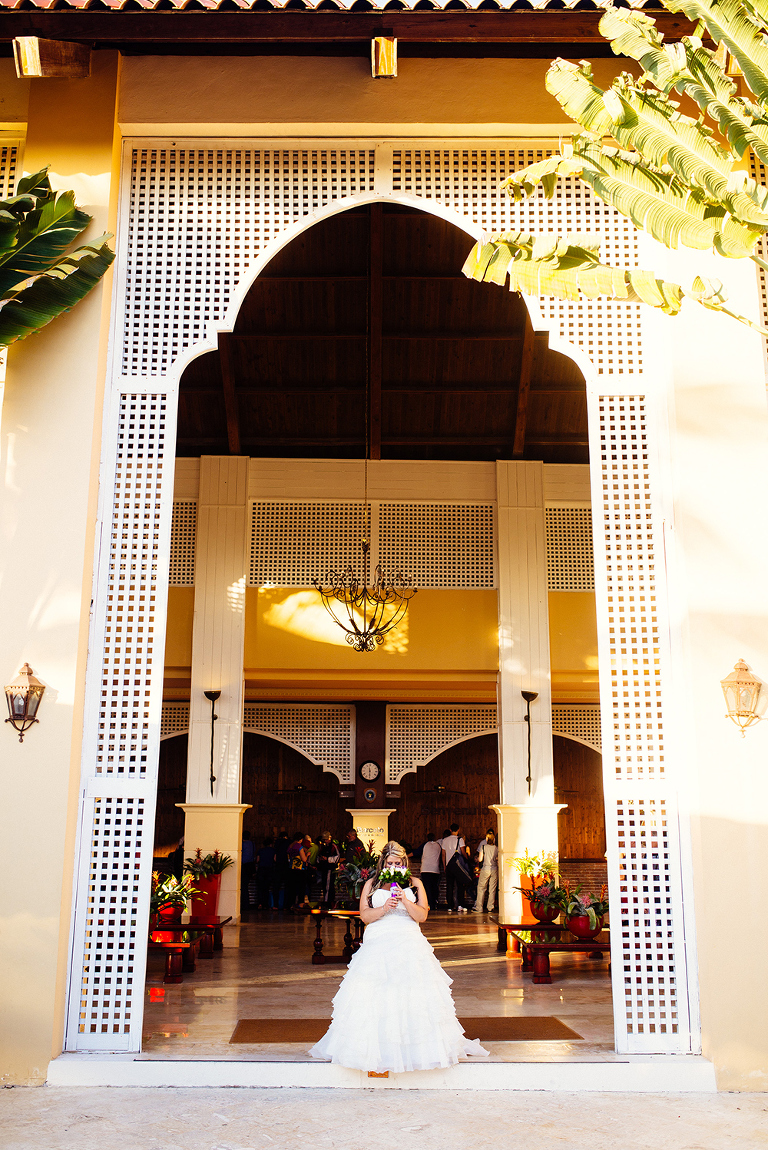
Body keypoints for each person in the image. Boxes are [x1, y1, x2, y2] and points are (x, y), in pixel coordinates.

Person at [309, 841, 489, 1072]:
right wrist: (385, 908)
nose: (394, 866)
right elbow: (364, 916)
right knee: (376, 992)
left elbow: (422, 916)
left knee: (411, 992)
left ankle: (413, 1048)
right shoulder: (372, 884)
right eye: (390, 862)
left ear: (404, 863)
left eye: (399, 862)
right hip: (379, 941)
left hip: (407, 939)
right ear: (383, 862)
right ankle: (373, 1047)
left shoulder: (415, 884)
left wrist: (404, 901)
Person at [441, 823, 469, 914]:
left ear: (450, 830)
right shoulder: (460, 839)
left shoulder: (445, 840)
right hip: (457, 866)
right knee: (460, 885)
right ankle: (460, 905)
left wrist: (444, 866)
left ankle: (450, 906)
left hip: (449, 865)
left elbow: (443, 854)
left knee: (449, 886)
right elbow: (463, 852)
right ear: (458, 830)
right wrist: (467, 860)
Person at [473, 831, 498, 914]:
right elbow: (497, 859)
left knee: (481, 888)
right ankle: (490, 907)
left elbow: (480, 859)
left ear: (487, 839)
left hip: (485, 869)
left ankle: (479, 907)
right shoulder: (496, 848)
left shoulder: (483, 847)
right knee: (492, 889)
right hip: (494, 869)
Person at [419, 832, 442, 911]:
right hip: (435, 869)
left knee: (427, 887)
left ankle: (428, 903)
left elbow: (416, 852)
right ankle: (434, 903)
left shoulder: (425, 845)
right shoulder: (438, 845)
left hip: (425, 869)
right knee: (434, 887)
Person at [317, 831, 340, 906]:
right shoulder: (323, 846)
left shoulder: (333, 846)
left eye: (326, 839)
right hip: (324, 869)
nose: (325, 841)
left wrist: (327, 859)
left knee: (329, 885)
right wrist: (320, 859)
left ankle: (328, 901)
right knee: (324, 885)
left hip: (330, 869)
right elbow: (318, 855)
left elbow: (337, 858)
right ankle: (326, 900)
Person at [256, 835, 276, 910]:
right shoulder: (273, 850)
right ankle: (266, 904)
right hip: (269, 870)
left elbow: (257, 860)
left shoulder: (260, 850)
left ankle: (260, 903)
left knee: (260, 888)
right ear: (271, 844)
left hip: (261, 870)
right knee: (267, 888)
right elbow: (275, 859)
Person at [272, 831, 290, 910]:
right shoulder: (289, 843)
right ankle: (286, 906)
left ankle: (275, 905)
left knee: (276, 886)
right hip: (286, 866)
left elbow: (274, 857)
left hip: (278, 866)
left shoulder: (277, 843)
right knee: (287, 886)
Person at [241, 830, 256, 912]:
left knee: (243, 886)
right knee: (245, 885)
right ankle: (246, 903)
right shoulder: (252, 844)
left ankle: (244, 904)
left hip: (244, 866)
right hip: (250, 866)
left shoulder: (242, 844)